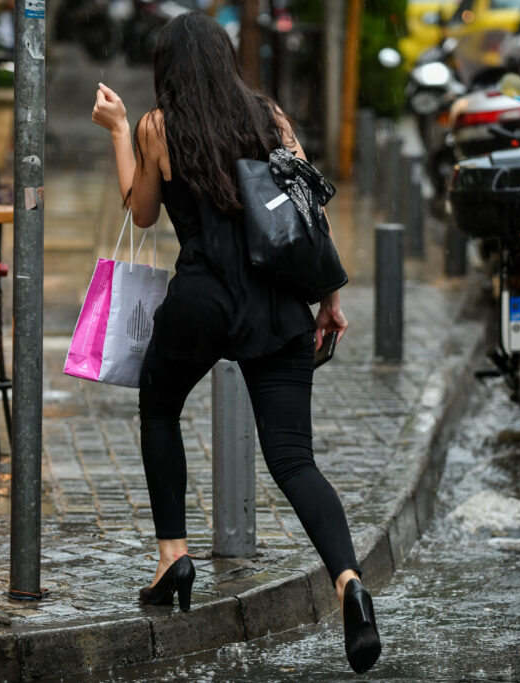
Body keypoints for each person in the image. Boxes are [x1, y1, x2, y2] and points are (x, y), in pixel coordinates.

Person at [90, 11, 382, 675]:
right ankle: (348, 581)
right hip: (278, 304)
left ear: (168, 68)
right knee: (293, 458)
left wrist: (117, 130)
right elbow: (310, 211)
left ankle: (174, 556)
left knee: (160, 405)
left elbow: (139, 211)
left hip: (200, 300)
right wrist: (329, 298)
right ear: (225, 60)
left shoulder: (158, 126)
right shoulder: (270, 117)